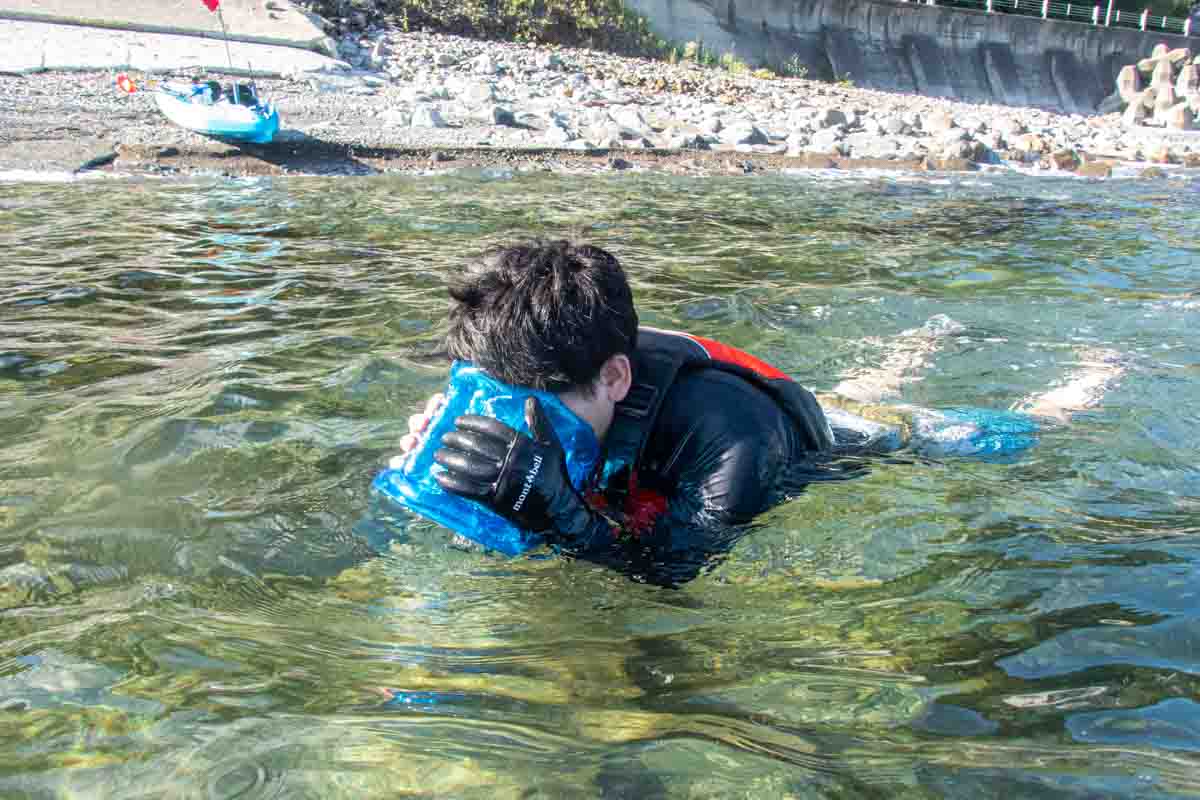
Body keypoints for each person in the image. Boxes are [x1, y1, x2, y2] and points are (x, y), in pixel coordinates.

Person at [390, 240, 1124, 586]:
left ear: (614, 376)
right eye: (490, 397)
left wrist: (559, 517)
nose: (516, 423)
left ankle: (1088, 384)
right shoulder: (557, 358)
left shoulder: (731, 438)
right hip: (722, 408)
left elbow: (678, 568)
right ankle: (917, 344)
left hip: (809, 441)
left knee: (947, 433)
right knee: (862, 389)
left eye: (535, 407)